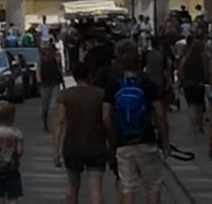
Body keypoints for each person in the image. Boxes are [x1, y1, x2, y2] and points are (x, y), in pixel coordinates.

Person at [102, 46, 169, 204]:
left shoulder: (113, 85)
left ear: (120, 65)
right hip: (146, 140)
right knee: (153, 185)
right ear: (139, 64)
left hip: (123, 142)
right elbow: (160, 114)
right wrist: (165, 140)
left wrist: (112, 138)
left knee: (127, 186)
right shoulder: (147, 84)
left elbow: (105, 117)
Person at [53, 60, 108, 204]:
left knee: (72, 186)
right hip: (96, 146)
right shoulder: (100, 94)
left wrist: (56, 150)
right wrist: (111, 140)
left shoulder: (65, 95)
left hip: (72, 147)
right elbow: (105, 119)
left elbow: (59, 121)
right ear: (89, 75)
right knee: (96, 189)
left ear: (74, 76)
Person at [177, 38, 210, 136]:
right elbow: (206, 72)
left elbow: (180, 71)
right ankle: (200, 125)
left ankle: (194, 126)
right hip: (199, 84)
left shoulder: (185, 59)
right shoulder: (202, 58)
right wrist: (207, 80)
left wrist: (183, 79)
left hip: (188, 84)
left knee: (191, 105)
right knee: (200, 106)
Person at [38, 43, 64, 132]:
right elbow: (38, 71)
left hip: (54, 83)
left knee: (55, 103)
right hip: (45, 84)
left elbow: (59, 69)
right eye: (46, 50)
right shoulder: (41, 60)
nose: (47, 51)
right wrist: (39, 82)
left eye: (49, 50)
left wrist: (61, 81)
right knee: (45, 106)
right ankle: (45, 122)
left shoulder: (55, 58)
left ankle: (55, 122)